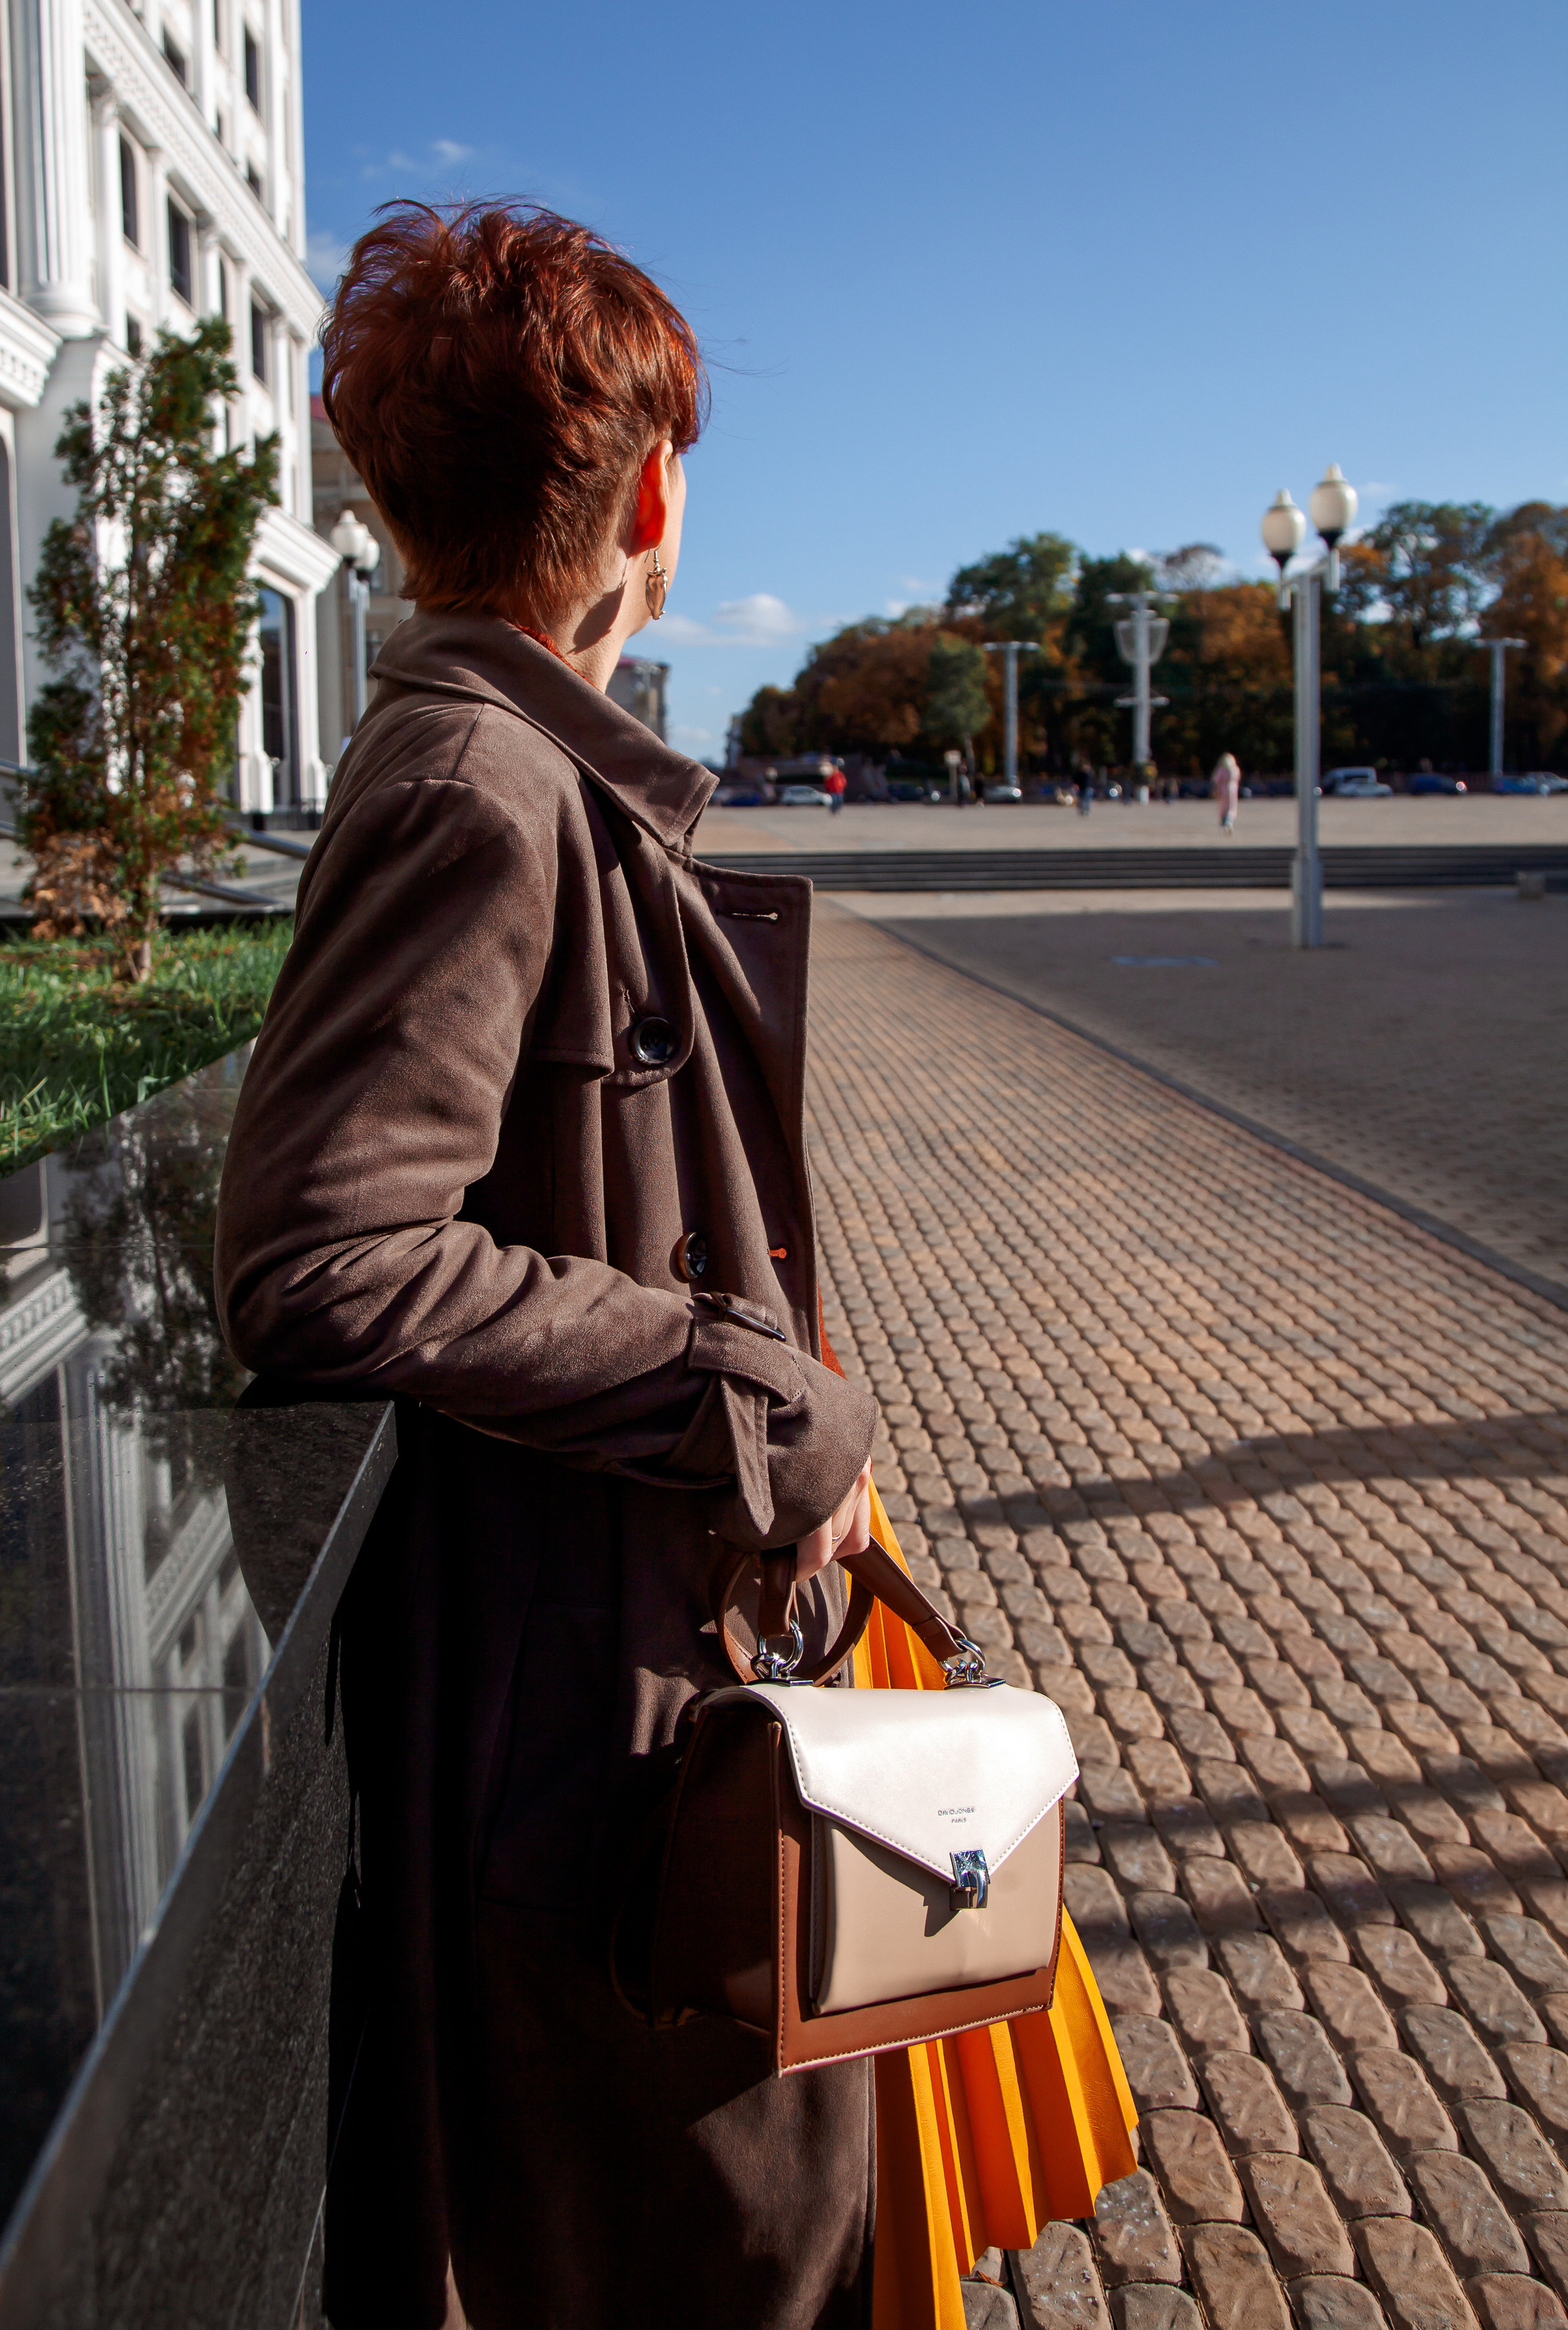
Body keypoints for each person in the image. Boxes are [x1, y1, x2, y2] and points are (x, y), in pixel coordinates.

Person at [214, 202, 1130, 2330]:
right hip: (588, 1724)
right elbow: (324, 1245)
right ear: (645, 495)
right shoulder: (481, 776)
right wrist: (750, 1384)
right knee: (736, 2240)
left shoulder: (519, 760)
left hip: (612, 1658)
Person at [1212, 749, 1241, 834]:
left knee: (1223, 807)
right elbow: (1237, 780)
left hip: (1222, 788)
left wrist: (1215, 791)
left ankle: (1223, 822)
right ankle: (1228, 822)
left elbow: (1216, 781)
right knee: (1232, 807)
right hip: (1232, 788)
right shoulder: (1235, 769)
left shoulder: (1221, 769)